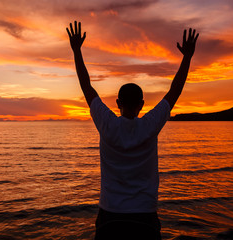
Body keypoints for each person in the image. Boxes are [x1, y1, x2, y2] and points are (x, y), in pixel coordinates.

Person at [66, 21, 199, 239]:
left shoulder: (107, 123)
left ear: (118, 103)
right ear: (142, 104)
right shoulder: (150, 124)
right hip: (145, 215)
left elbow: (86, 86)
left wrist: (77, 50)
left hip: (111, 214)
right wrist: (187, 57)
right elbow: (174, 91)